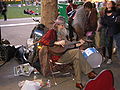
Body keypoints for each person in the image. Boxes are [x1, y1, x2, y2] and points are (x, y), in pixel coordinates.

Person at [39, 16, 97, 89]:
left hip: (64, 54)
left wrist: (77, 44)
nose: (63, 27)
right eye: (61, 25)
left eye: (64, 25)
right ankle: (89, 72)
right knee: (77, 53)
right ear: (57, 25)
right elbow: (42, 41)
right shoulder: (52, 32)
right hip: (57, 57)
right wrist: (56, 42)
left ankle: (78, 82)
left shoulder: (62, 33)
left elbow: (67, 46)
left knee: (77, 59)